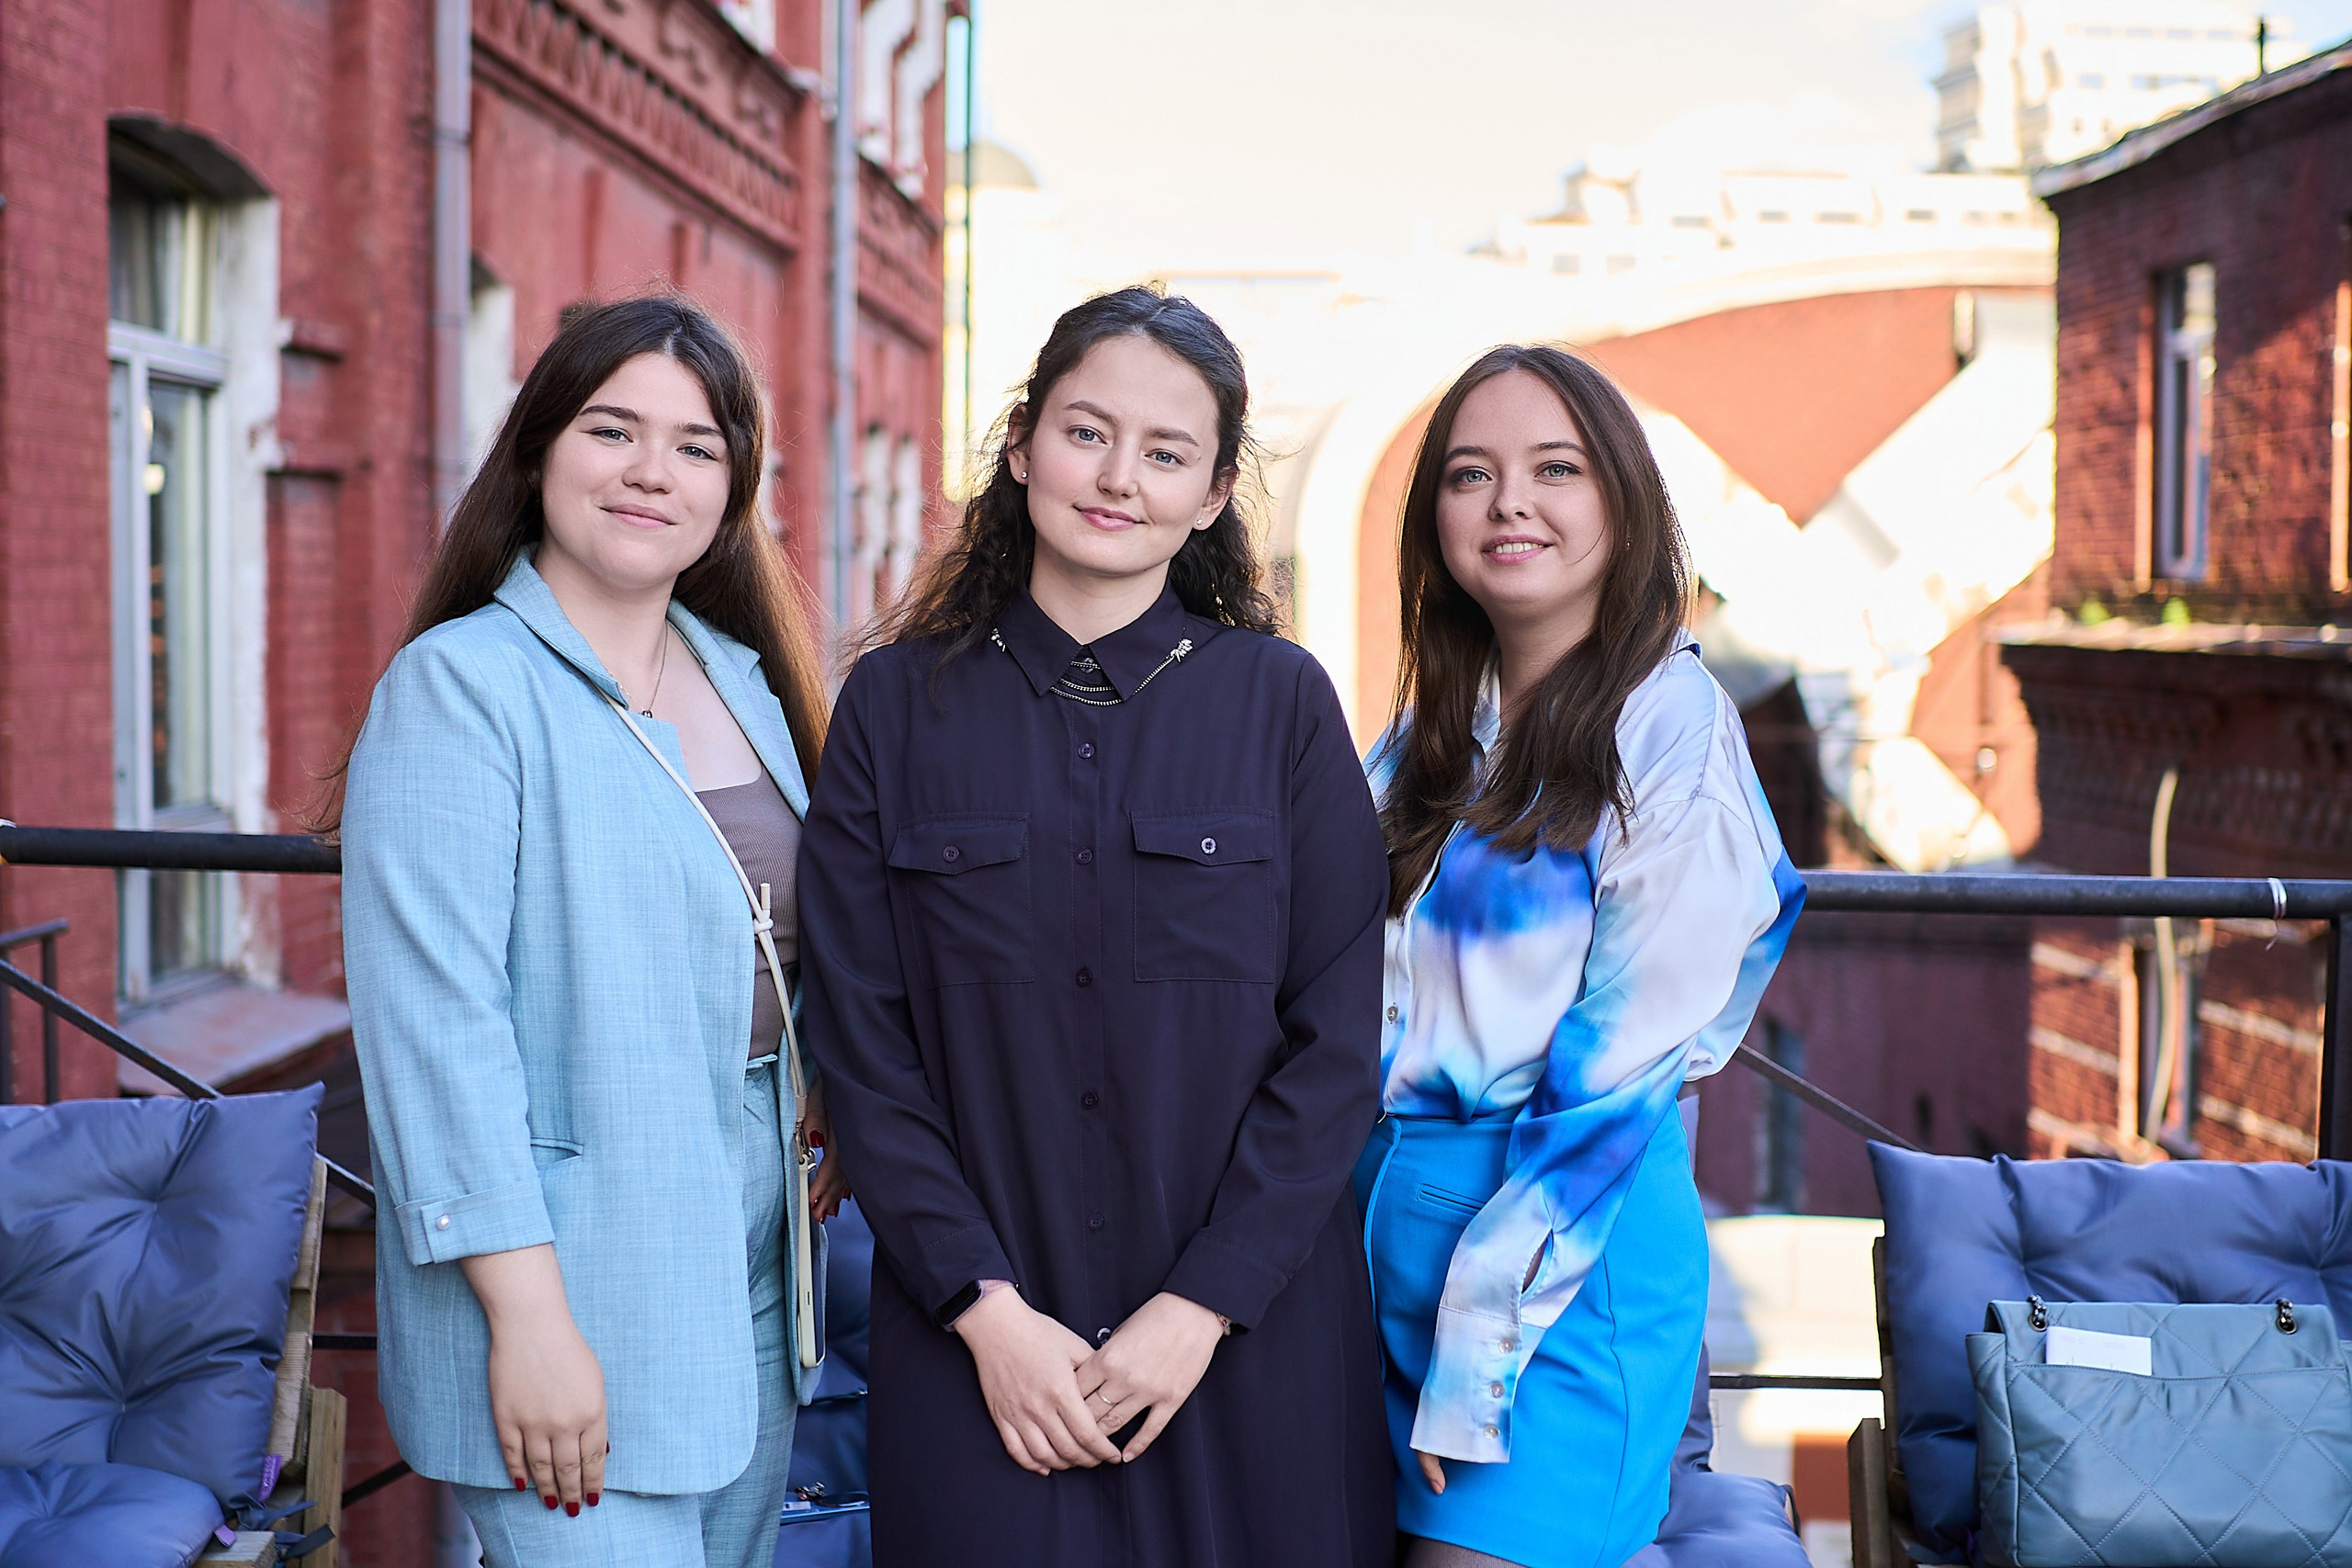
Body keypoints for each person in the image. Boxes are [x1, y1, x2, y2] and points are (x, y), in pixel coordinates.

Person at [797, 286, 1394, 1568]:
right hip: (976, 1359)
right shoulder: (894, 708)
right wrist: (985, 1313)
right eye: (1087, 433)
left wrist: (1202, 1305)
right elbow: (862, 1044)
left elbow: (1338, 1043)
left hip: (1245, 1350)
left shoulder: (1282, 707)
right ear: (1022, 448)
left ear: (1214, 494)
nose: (1120, 477)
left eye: (1166, 453)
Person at [334, 294, 847, 1567]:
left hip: (753, 1251)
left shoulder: (745, 676)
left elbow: (783, 931)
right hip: (566, 1267)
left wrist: (824, 1083)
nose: (650, 472)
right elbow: (435, 1036)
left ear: (732, 489)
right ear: (537, 452)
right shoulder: (460, 687)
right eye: (612, 430)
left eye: (695, 446)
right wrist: (528, 1320)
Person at [1358, 344, 1804, 1568]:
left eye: (1555, 468)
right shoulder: (1431, 731)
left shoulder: (1671, 736)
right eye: (1471, 474)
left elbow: (1608, 1097)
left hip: (1548, 1285)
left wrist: (1476, 1363)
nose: (1510, 502)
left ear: (1624, 498)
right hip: (1376, 1247)